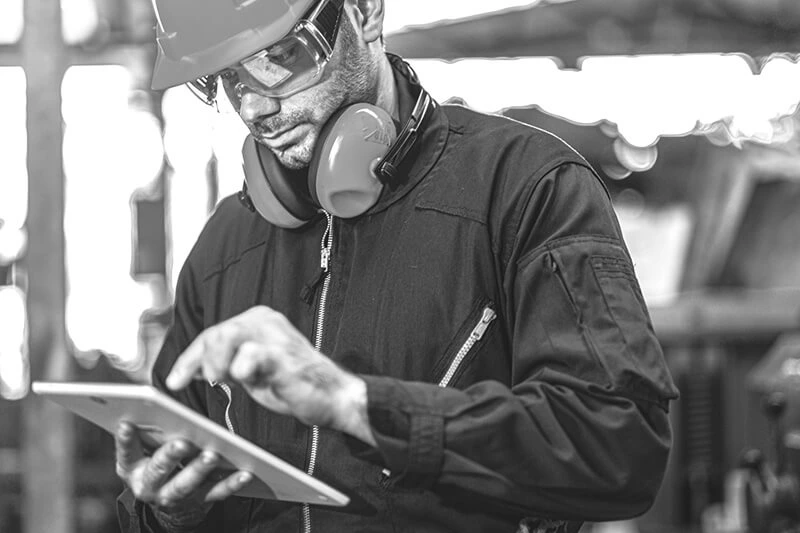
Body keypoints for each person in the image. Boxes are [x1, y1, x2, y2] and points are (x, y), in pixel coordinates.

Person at [115, 0, 680, 532]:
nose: (254, 107)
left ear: (364, 13)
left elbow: (618, 446)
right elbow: (164, 467)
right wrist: (169, 512)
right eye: (223, 79)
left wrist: (355, 405)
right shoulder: (225, 248)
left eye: (277, 58)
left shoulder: (527, 188)